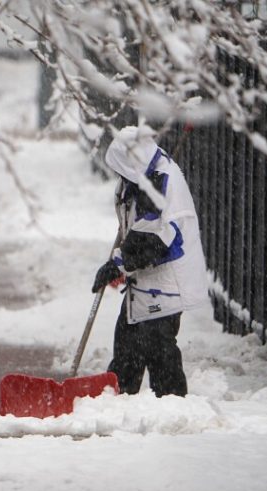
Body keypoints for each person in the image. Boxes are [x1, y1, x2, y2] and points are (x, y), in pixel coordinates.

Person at [91, 125, 208, 397]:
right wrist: (120, 261)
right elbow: (135, 231)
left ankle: (171, 409)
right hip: (145, 282)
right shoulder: (137, 180)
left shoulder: (159, 184)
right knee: (127, 346)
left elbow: (154, 241)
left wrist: (119, 264)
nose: (118, 174)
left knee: (159, 351)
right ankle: (117, 401)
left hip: (166, 283)